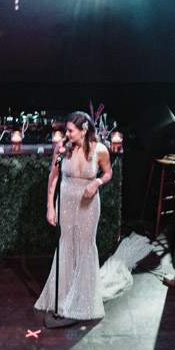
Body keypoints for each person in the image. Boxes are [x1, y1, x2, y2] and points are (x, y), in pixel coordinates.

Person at [35, 111, 112, 328]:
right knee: (66, 245)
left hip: (88, 204)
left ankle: (84, 298)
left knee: (85, 246)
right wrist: (50, 206)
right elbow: (53, 177)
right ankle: (64, 296)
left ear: (84, 130)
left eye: (71, 130)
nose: (66, 134)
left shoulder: (100, 150)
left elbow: (108, 173)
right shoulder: (63, 150)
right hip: (66, 202)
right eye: (66, 130)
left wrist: (97, 182)